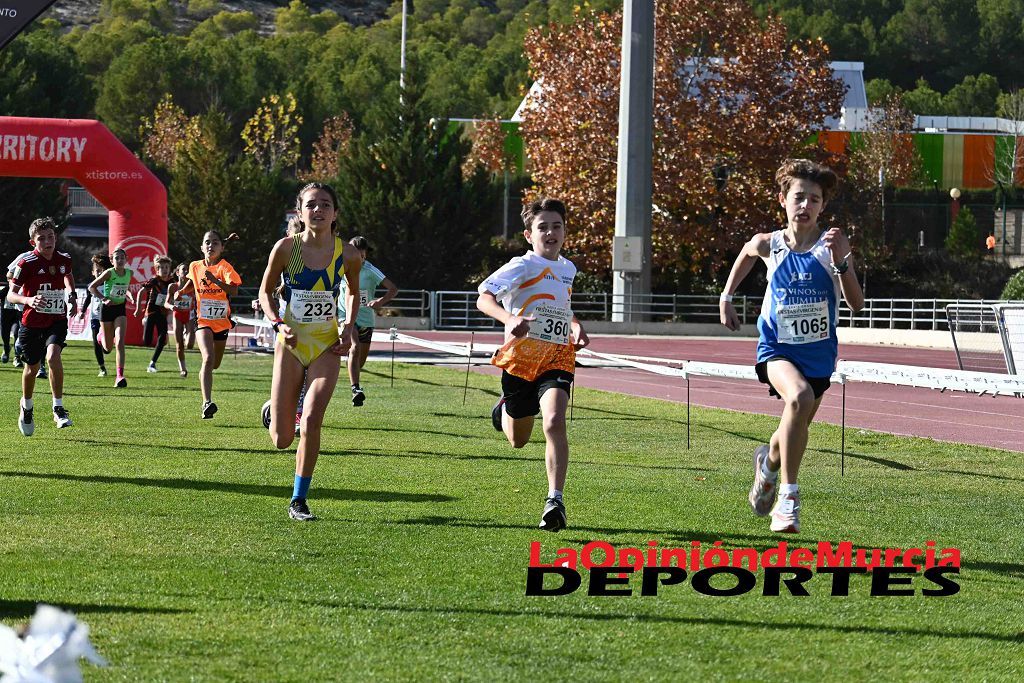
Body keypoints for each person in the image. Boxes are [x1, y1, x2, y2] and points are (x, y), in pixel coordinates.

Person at [719, 158, 865, 534]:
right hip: (776, 349)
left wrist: (843, 262)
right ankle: (788, 499)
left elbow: (856, 304)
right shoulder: (771, 244)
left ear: (822, 206)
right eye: (798, 197)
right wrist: (726, 296)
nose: (806, 206)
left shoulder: (831, 246)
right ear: (783, 199)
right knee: (797, 398)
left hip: (818, 355)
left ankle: (767, 465)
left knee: (792, 427)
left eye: (814, 199)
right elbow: (747, 254)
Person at [476, 197, 590, 532]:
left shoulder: (568, 269)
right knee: (518, 440)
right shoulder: (520, 265)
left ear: (565, 232)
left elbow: (561, 308)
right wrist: (509, 318)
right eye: (543, 227)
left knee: (554, 421)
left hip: (557, 356)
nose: (550, 232)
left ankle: (555, 500)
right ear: (529, 235)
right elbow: (484, 297)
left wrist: (575, 325)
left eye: (557, 226)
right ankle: (504, 410)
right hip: (520, 359)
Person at [258, 182, 361, 522]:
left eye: (325, 204)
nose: (318, 210)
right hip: (290, 344)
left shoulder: (347, 254)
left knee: (313, 419)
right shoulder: (286, 249)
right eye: (312, 204)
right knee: (282, 439)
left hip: (326, 345)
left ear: (336, 214)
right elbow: (264, 292)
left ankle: (298, 500)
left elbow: (352, 294)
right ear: (300, 212)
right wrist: (276, 324)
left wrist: (347, 327)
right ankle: (275, 409)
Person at [6, 218, 78, 435]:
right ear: (32, 242)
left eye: (51, 237)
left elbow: (68, 274)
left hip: (56, 319)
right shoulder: (25, 263)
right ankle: (26, 406)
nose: (48, 241)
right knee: (32, 369)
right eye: (42, 238)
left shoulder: (64, 258)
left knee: (53, 356)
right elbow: (11, 294)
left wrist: (72, 296)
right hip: (31, 322)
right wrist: (29, 300)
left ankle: (58, 408)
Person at [171, 231, 242, 418]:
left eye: (215, 243)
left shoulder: (225, 268)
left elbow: (234, 290)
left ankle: (206, 380)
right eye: (207, 243)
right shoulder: (195, 266)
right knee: (208, 358)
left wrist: (216, 281)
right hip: (202, 321)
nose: (211, 246)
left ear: (222, 247)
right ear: (202, 247)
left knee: (215, 364)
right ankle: (206, 403)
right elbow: (192, 285)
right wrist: (182, 292)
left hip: (222, 322)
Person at [338, 236, 398, 406]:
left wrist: (380, 302)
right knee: (354, 347)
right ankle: (355, 389)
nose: (359, 257)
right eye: (356, 253)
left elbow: (393, 289)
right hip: (346, 317)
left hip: (366, 319)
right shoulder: (339, 268)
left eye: (362, 254)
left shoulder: (370, 270)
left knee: (360, 360)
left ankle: (353, 373)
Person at [88, 248, 134, 388]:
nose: (120, 260)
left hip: (120, 309)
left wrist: (130, 296)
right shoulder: (109, 273)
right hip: (106, 310)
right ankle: (101, 337)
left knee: (120, 341)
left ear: (126, 259)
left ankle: (120, 376)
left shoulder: (129, 273)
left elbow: (126, 288)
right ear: (112, 260)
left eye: (122, 258)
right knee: (108, 348)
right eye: (117, 258)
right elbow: (92, 287)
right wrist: (103, 299)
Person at [133, 255, 174, 373]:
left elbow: (177, 293)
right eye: (162, 268)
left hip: (162, 312)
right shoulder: (154, 280)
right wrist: (138, 308)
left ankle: (153, 363)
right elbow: (141, 292)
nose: (165, 270)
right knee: (147, 341)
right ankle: (145, 322)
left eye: (167, 267)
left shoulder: (172, 282)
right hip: (151, 311)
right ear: (157, 270)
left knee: (162, 338)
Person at [79, 254, 113, 376]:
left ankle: (104, 341)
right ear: (93, 272)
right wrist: (82, 312)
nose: (99, 273)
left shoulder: (109, 283)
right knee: (95, 343)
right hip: (95, 317)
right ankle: (102, 367)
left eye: (102, 270)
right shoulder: (93, 285)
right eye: (97, 271)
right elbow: (88, 299)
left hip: (108, 318)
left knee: (107, 349)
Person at [166, 263, 196, 378]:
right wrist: (170, 306)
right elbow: (166, 302)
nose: (186, 271)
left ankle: (186, 334)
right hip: (177, 315)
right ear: (178, 273)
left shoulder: (193, 285)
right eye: (184, 269)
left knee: (189, 345)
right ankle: (183, 369)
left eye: (188, 270)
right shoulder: (173, 287)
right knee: (179, 345)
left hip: (189, 315)